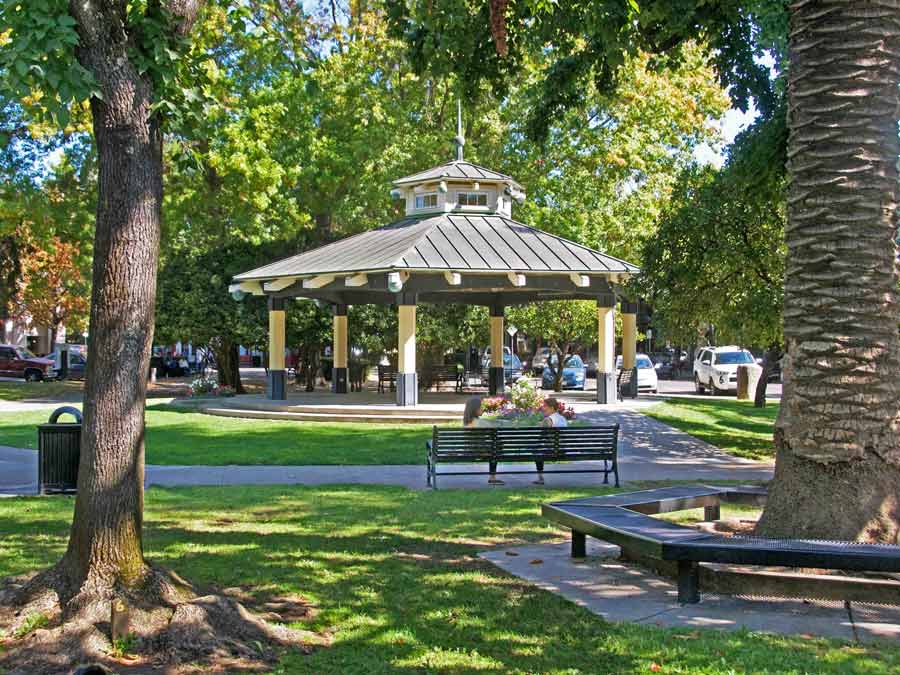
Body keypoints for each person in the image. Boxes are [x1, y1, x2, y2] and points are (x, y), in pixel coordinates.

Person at [462, 396, 503, 485]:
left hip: (469, 450)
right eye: (481, 407)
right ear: (475, 409)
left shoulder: (466, 422)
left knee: (494, 446)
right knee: (496, 447)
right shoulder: (479, 422)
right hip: (479, 451)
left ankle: (493, 477)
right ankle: (492, 477)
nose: (483, 409)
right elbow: (496, 426)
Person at [535, 397, 568, 485]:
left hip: (550, 450)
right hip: (563, 450)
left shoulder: (548, 420)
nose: (543, 408)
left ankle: (540, 478)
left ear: (552, 408)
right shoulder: (563, 419)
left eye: (545, 406)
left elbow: (541, 436)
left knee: (537, 452)